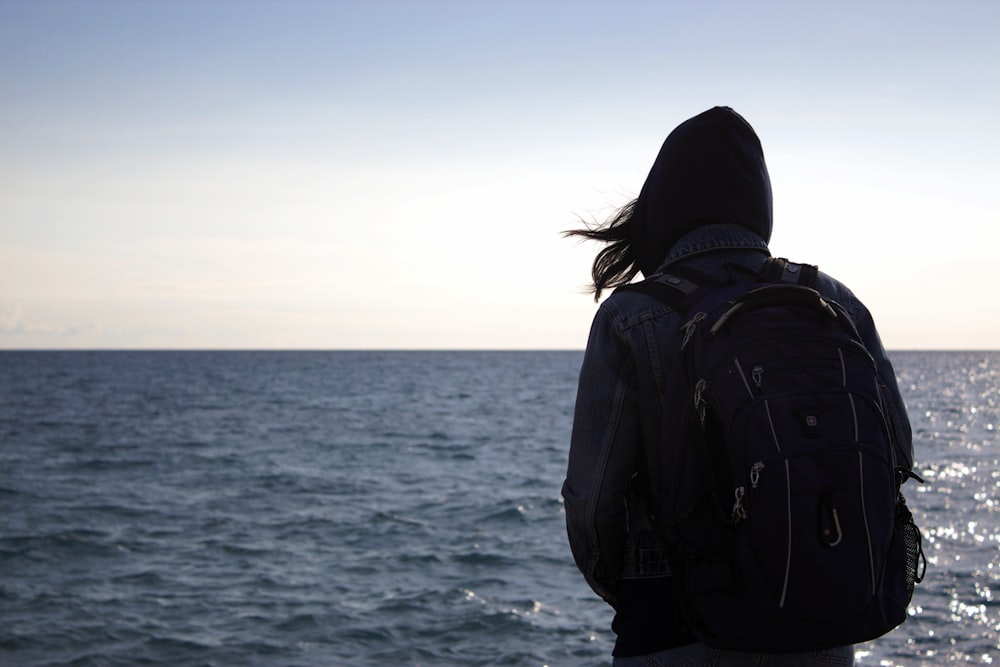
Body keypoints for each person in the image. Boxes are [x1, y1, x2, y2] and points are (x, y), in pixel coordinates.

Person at [562, 106, 913, 666]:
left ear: (664, 205)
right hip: (815, 623)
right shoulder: (833, 302)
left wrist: (633, 588)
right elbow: (895, 453)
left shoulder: (632, 316)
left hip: (671, 626)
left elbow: (592, 499)